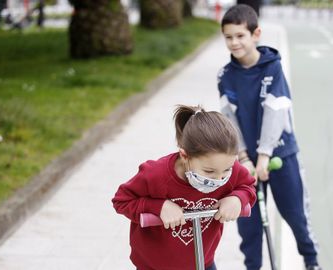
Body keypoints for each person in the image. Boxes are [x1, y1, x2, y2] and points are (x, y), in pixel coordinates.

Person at [217, 4, 322, 270]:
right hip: (245, 164)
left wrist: (263, 156)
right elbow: (230, 120)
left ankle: (311, 261)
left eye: (240, 35)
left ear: (256, 34)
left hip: (280, 156)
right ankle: (253, 267)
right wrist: (243, 157)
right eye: (228, 37)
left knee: (296, 215)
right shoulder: (225, 76)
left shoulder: (273, 69)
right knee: (249, 225)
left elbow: (275, 114)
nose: (234, 42)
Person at [112, 105, 256, 270]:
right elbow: (121, 200)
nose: (219, 179)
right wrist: (158, 207)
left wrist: (237, 198)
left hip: (203, 262)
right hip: (154, 266)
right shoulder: (156, 174)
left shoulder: (228, 168)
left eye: (226, 170)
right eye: (209, 171)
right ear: (185, 155)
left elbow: (248, 185)